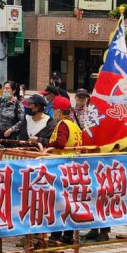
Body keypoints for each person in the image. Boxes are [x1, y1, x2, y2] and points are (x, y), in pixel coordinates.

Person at [48, 96, 82, 243]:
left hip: (61, 166)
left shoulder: (63, 124)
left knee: (59, 202)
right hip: (72, 166)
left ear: (59, 111)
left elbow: (60, 143)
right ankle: (68, 235)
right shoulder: (74, 124)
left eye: (55, 109)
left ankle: (56, 235)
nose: (54, 112)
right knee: (69, 202)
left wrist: (45, 143)